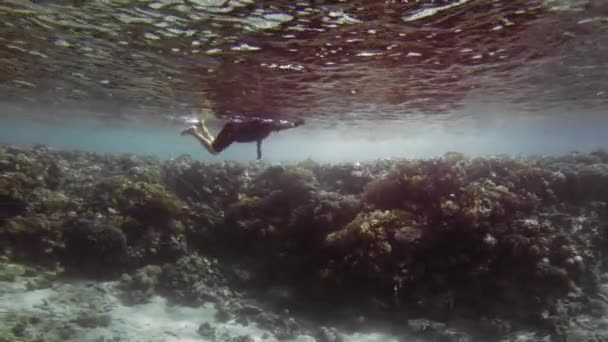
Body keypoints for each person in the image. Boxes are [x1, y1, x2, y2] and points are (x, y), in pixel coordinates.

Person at [181, 112, 305, 160]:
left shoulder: (266, 128)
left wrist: (259, 151)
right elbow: (286, 126)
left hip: (231, 129)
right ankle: (194, 132)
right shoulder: (270, 126)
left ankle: (201, 126)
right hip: (233, 133)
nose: (282, 124)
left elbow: (258, 138)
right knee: (214, 151)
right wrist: (295, 124)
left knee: (214, 144)